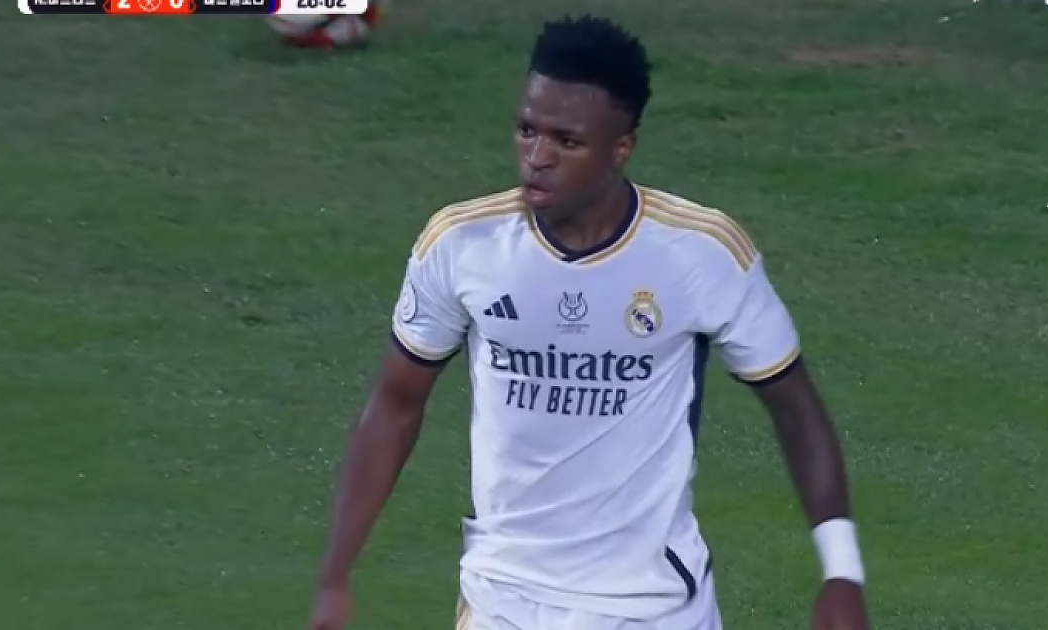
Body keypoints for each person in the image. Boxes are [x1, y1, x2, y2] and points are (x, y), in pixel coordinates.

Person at [307, 14, 871, 630]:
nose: (537, 158)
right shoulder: (463, 244)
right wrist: (335, 575)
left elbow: (794, 404)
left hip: (657, 608)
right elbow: (395, 402)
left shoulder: (700, 253)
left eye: (566, 141)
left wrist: (841, 571)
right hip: (504, 600)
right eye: (527, 130)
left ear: (620, 148)